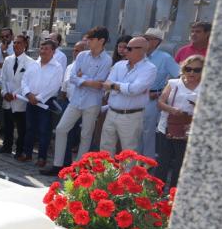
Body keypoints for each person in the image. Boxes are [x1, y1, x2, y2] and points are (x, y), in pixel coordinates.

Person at [42, 27, 112, 175]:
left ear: (101, 41)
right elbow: (72, 77)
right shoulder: (82, 56)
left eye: (91, 39)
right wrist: (87, 80)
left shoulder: (107, 59)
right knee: (61, 129)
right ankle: (58, 164)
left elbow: (100, 83)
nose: (88, 42)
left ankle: (79, 169)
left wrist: (82, 78)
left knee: (85, 135)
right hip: (76, 100)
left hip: (92, 102)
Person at [100, 37, 157, 154]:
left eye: (129, 48)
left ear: (142, 50)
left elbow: (134, 89)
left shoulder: (150, 68)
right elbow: (107, 85)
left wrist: (115, 86)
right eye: (125, 47)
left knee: (129, 152)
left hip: (131, 116)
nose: (125, 51)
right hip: (111, 112)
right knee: (105, 148)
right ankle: (106, 173)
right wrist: (123, 88)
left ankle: (127, 173)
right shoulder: (119, 65)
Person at [154, 55, 203, 189]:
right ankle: (155, 195)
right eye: (188, 69)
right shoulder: (174, 83)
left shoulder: (206, 87)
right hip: (168, 128)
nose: (192, 72)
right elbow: (160, 103)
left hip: (190, 132)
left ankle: (173, 196)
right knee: (162, 163)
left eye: (197, 70)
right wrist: (172, 110)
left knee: (181, 166)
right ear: (183, 69)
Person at [18, 39, 64, 167]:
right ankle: (27, 154)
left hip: (45, 102)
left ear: (53, 51)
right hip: (30, 99)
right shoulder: (33, 64)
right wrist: (28, 94)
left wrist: (38, 98)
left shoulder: (57, 67)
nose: (43, 51)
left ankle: (42, 157)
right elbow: (24, 80)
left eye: (46, 49)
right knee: (30, 128)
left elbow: (54, 86)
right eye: (42, 48)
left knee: (44, 130)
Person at [140, 28, 180, 158]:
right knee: (134, 130)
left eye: (148, 39)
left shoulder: (165, 58)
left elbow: (178, 77)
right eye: (144, 38)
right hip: (134, 97)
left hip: (152, 97)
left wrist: (161, 94)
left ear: (157, 41)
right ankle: (134, 158)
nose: (144, 41)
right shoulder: (138, 55)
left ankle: (147, 159)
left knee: (148, 131)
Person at [0, 34, 36, 156]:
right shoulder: (8, 60)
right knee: (8, 125)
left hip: (20, 99)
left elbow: (28, 81)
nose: (16, 45)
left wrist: (15, 94)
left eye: (19, 43)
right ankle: (6, 146)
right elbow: (2, 78)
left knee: (21, 128)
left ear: (25, 45)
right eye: (14, 43)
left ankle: (19, 150)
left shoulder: (30, 62)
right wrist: (4, 92)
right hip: (7, 97)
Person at [0, 28, 14, 138]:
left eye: (7, 36)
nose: (4, 38)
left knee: (9, 107)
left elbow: (10, 64)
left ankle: (9, 130)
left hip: (9, 83)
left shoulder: (15, 47)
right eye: (2, 37)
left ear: (11, 36)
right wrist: (3, 62)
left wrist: (4, 52)